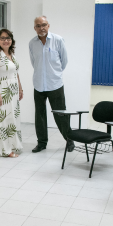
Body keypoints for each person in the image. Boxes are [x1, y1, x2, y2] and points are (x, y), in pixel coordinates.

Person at [29, 16, 74, 153]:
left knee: (60, 114)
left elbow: (64, 61)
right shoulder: (32, 43)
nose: (41, 28)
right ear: (35, 28)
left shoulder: (58, 40)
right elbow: (33, 62)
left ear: (48, 25)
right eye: (38, 25)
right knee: (40, 115)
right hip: (38, 85)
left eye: (44, 25)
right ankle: (42, 143)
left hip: (55, 84)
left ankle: (69, 139)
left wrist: (54, 74)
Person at [0, 29, 23, 157]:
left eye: (8, 38)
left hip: (12, 92)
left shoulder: (12, 54)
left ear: (11, 40)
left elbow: (15, 73)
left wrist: (20, 88)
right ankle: (4, 149)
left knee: (12, 118)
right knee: (2, 120)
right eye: (2, 38)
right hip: (2, 91)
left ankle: (12, 144)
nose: (6, 40)